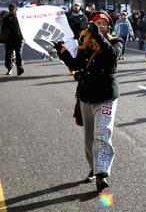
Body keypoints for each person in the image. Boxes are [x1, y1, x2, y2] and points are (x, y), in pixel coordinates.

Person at [54, 11, 123, 192]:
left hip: (106, 96)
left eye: (103, 23)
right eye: (97, 23)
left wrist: (98, 35)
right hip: (87, 96)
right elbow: (77, 65)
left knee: (103, 133)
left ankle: (102, 174)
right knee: (89, 139)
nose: (100, 25)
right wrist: (62, 52)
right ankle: (94, 167)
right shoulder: (85, 44)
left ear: (109, 26)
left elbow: (112, 55)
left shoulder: (116, 41)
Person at [2, 4, 24, 76]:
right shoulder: (6, 16)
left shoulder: (21, 16)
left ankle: (19, 68)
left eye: (13, 9)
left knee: (18, 53)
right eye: (11, 9)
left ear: (15, 9)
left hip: (18, 38)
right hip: (9, 39)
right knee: (8, 54)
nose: (12, 10)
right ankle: (9, 67)